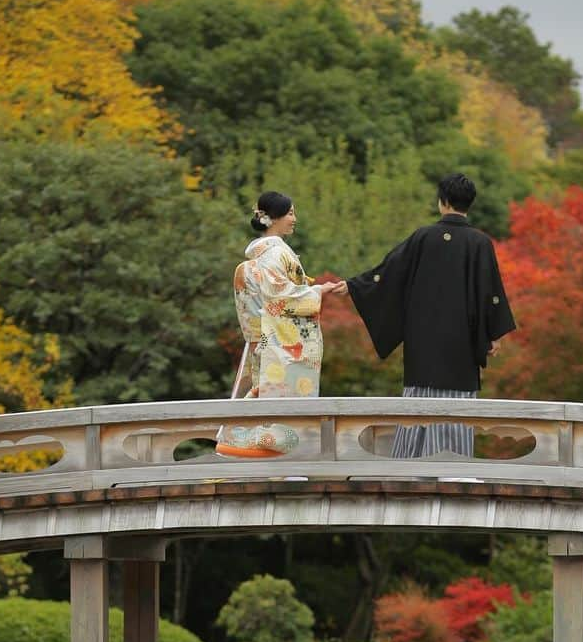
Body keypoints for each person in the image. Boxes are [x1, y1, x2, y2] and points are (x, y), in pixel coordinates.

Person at [335, 173, 515, 459]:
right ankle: (452, 470)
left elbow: (389, 272)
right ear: (470, 204)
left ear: (442, 202)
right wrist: (492, 334)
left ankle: (408, 467)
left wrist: (353, 286)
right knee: (456, 407)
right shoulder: (480, 242)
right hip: (461, 344)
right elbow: (489, 291)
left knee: (417, 402)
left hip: (423, 340)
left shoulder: (423, 237)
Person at [216, 191, 342, 458]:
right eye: (290, 213)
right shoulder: (275, 254)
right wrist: (318, 291)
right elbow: (280, 296)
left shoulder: (263, 254)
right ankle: (281, 459)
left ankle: (249, 449)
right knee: (279, 399)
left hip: (264, 335)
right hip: (279, 339)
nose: (294, 219)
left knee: (261, 387)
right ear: (272, 219)